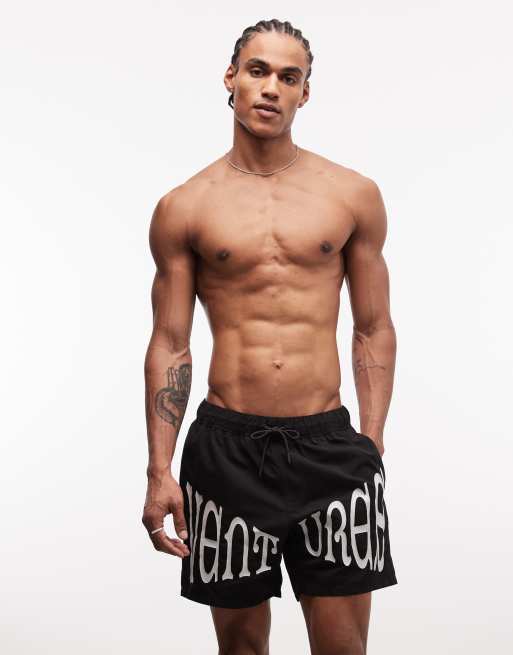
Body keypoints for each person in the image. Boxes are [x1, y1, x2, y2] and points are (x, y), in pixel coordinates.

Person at [142, 18, 398, 655]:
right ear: (231, 78)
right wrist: (159, 470)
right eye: (257, 71)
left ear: (305, 93)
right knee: (241, 649)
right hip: (225, 449)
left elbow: (373, 327)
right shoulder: (185, 206)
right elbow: (170, 342)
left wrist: (370, 440)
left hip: (329, 447)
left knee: (344, 648)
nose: (271, 88)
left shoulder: (352, 195)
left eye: (289, 77)